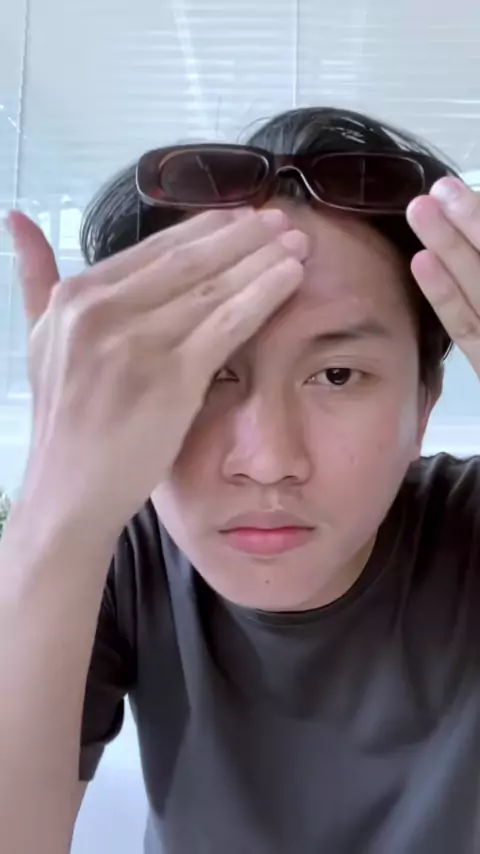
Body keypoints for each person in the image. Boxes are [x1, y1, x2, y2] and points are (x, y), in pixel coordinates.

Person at [1, 104, 480, 854]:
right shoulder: (116, 551)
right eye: (211, 372)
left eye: (337, 374)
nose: (267, 460)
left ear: (424, 406)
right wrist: (54, 513)